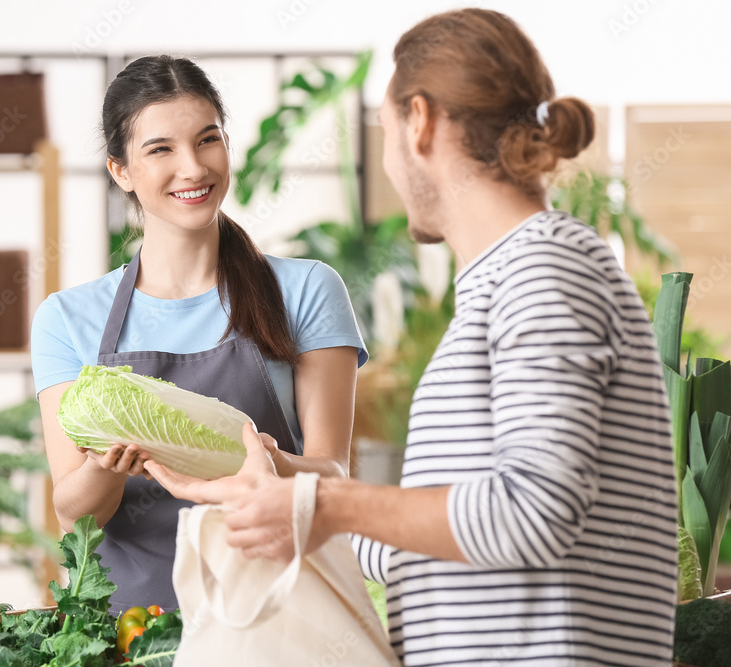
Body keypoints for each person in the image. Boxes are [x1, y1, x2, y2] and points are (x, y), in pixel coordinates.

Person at [147, 9, 679, 666]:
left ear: (419, 121)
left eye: (385, 130)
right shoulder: (508, 281)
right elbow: (444, 547)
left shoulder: (544, 269)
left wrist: (326, 499)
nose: (392, 164)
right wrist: (275, 489)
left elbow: (535, 513)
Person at [30, 55, 368, 615]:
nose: (192, 168)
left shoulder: (307, 289)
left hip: (274, 621)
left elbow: (332, 476)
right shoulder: (68, 317)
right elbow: (74, 515)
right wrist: (104, 468)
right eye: (160, 149)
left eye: (207, 141)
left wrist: (258, 458)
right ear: (121, 170)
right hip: (126, 630)